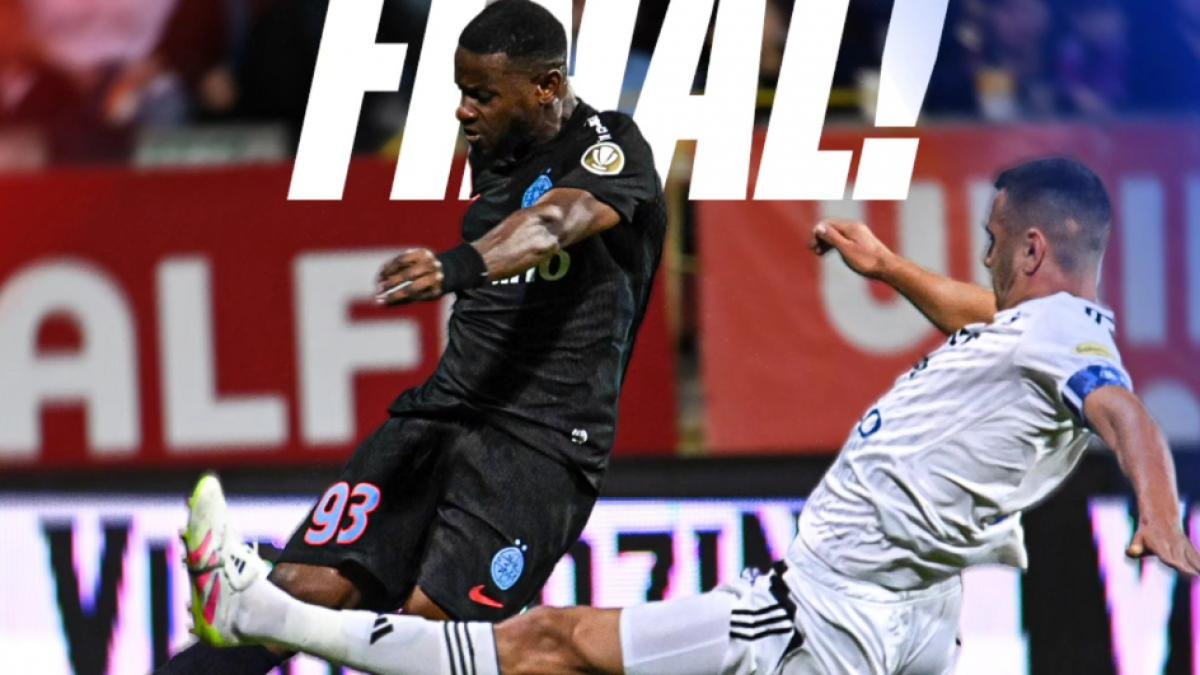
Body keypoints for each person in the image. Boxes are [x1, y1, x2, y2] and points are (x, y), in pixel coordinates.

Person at [181, 158, 1200, 674]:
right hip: (908, 613)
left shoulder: (1069, 343)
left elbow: (1127, 416)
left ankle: (264, 612)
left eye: (993, 240)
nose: (982, 256)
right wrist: (890, 269)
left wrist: (1158, 509)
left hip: (820, 615)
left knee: (546, 644)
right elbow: (985, 315)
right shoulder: (1041, 330)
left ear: (1032, 250)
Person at [162, 0, 666, 671]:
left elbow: (554, 223)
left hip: (537, 447)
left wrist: (456, 267)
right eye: (462, 92)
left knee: (432, 640)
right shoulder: (500, 147)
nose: (463, 111)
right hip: (439, 413)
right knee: (293, 595)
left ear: (547, 86)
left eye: (482, 95)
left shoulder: (612, 148)